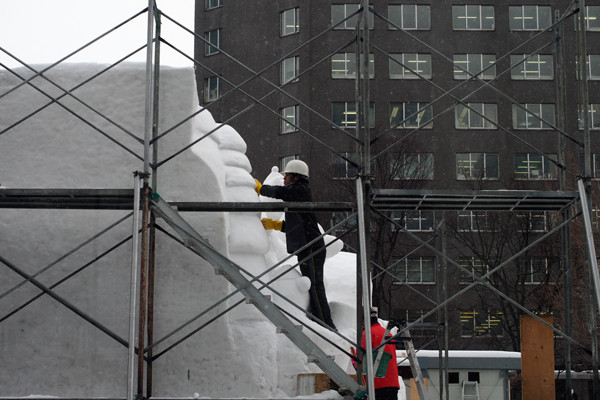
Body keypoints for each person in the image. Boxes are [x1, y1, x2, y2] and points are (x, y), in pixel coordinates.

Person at [255, 160, 336, 330]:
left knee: (315, 285)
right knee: (313, 284)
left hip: (311, 246)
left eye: (287, 176)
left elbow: (278, 192)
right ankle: (318, 319)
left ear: (295, 177)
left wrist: (261, 189)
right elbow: (298, 225)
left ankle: (326, 325)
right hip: (308, 245)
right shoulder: (298, 193)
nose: (284, 179)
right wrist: (278, 226)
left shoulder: (299, 190)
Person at [361, 308, 400, 400]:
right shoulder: (387, 334)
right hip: (392, 383)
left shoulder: (367, 334)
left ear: (363, 320)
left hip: (377, 383)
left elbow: (360, 358)